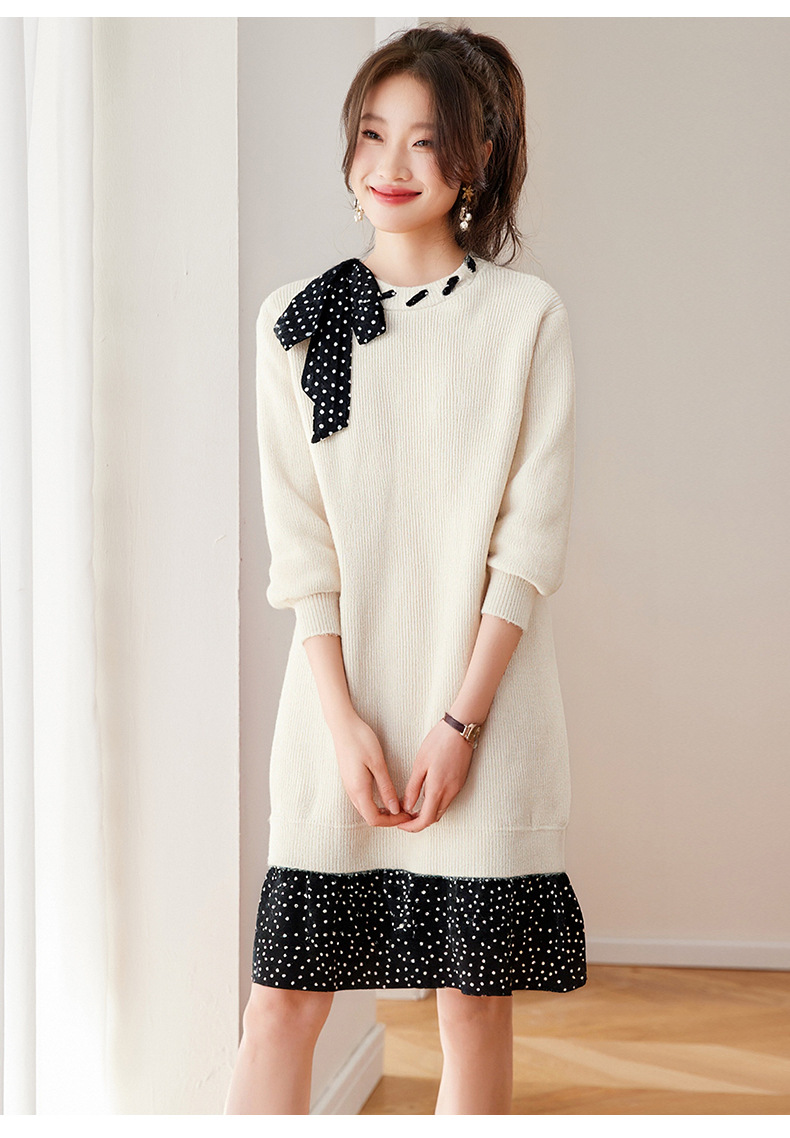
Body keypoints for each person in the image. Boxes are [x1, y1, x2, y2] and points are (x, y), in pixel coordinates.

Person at [224, 22, 587, 1117]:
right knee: (282, 1005)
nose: (389, 164)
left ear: (478, 160)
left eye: (426, 141)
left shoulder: (524, 318)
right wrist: (343, 726)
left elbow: (526, 546)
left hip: (483, 713)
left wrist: (459, 724)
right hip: (337, 715)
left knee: (470, 1006)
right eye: (372, 133)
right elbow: (302, 554)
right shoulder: (295, 323)